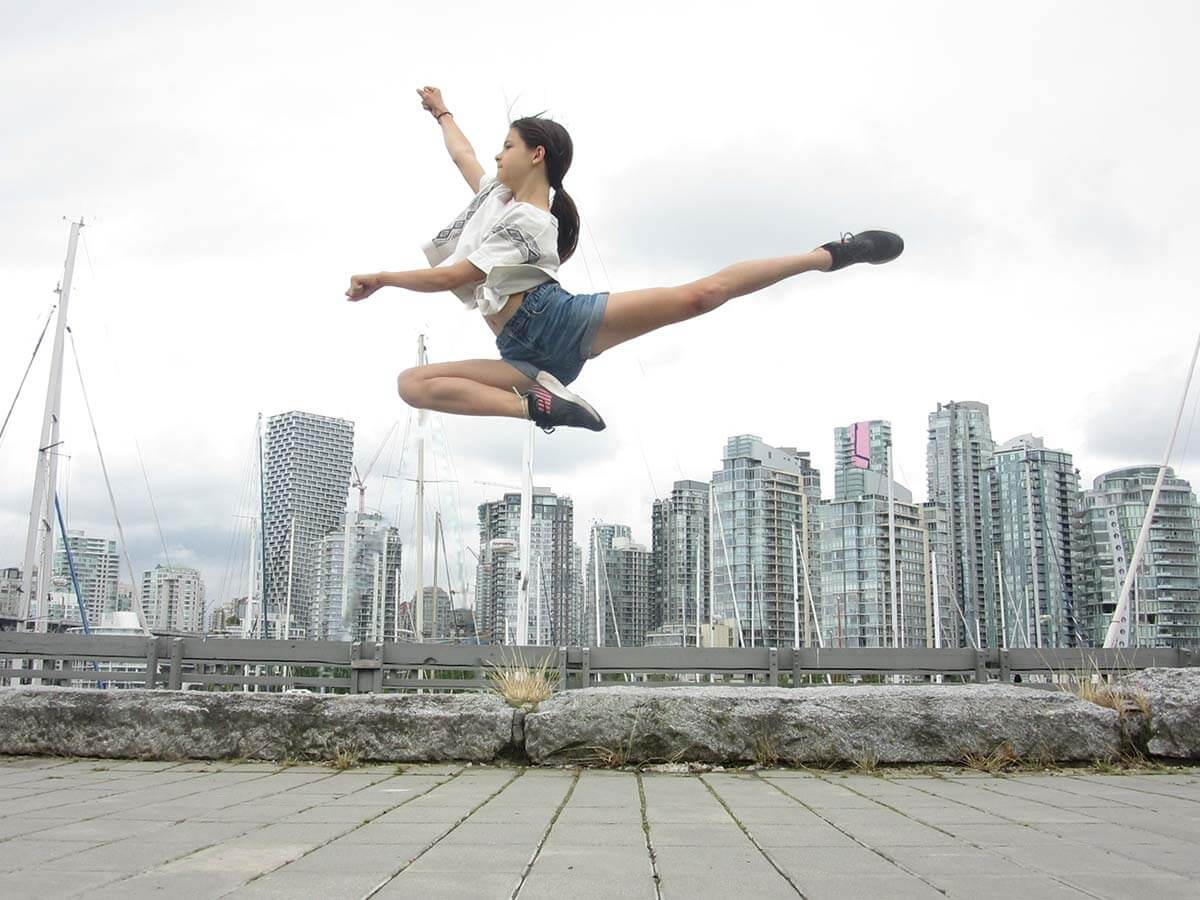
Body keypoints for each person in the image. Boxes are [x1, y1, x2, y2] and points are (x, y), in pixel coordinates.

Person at [345, 86, 904, 434]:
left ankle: (829, 254)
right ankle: (543, 408)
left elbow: (457, 276)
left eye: (508, 146)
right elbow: (466, 155)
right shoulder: (493, 199)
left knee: (700, 296)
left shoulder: (534, 222)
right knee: (412, 383)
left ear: (536, 155)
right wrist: (442, 113)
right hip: (521, 355)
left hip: (559, 321)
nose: (497, 154)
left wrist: (385, 278)